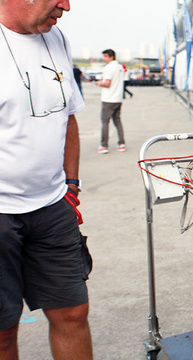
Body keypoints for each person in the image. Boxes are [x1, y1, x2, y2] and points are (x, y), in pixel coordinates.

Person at [0, 1, 93, 359]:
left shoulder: (57, 39)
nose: (66, 5)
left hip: (53, 207)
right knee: (4, 330)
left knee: (72, 312)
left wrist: (71, 184)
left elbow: (68, 116)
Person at [96, 48, 125, 154]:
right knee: (117, 121)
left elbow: (107, 83)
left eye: (105, 56)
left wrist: (98, 83)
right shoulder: (120, 67)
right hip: (118, 99)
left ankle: (104, 145)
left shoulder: (108, 68)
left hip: (108, 99)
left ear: (111, 57)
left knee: (105, 122)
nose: (104, 59)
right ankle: (121, 144)